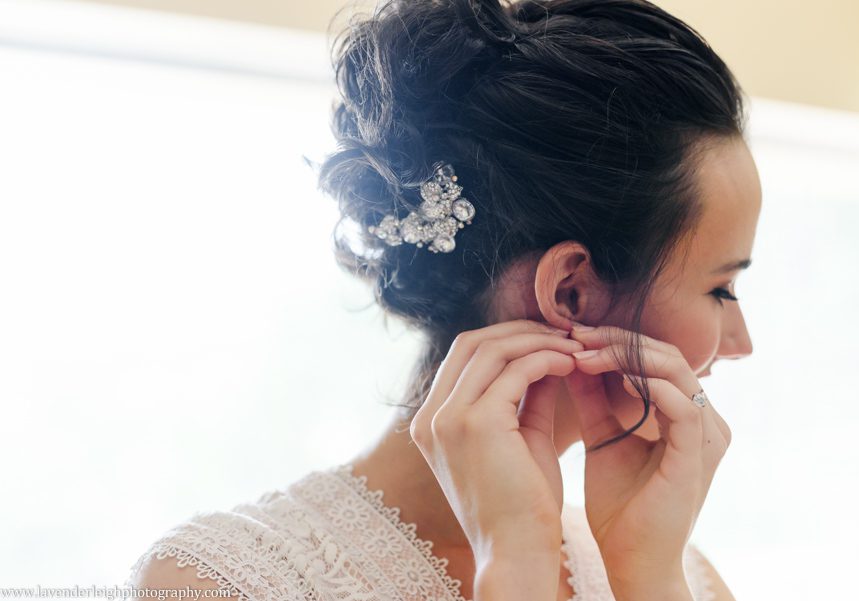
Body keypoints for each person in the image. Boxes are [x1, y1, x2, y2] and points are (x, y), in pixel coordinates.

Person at [127, 0, 760, 599]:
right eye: (721, 289)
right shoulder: (223, 581)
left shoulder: (676, 569)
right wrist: (516, 571)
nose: (741, 344)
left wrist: (647, 577)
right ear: (570, 292)